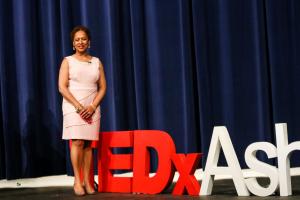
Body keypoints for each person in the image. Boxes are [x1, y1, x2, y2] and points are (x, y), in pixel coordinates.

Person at [58, 25, 106, 196]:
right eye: (77, 39)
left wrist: (92, 106)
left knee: (88, 145)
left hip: (92, 107)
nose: (80, 42)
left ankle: (88, 180)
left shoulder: (97, 62)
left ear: (89, 42)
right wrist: (79, 107)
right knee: (77, 141)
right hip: (73, 107)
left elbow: (102, 88)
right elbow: (62, 87)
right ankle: (77, 181)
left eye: (83, 39)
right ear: (73, 43)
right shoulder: (67, 61)